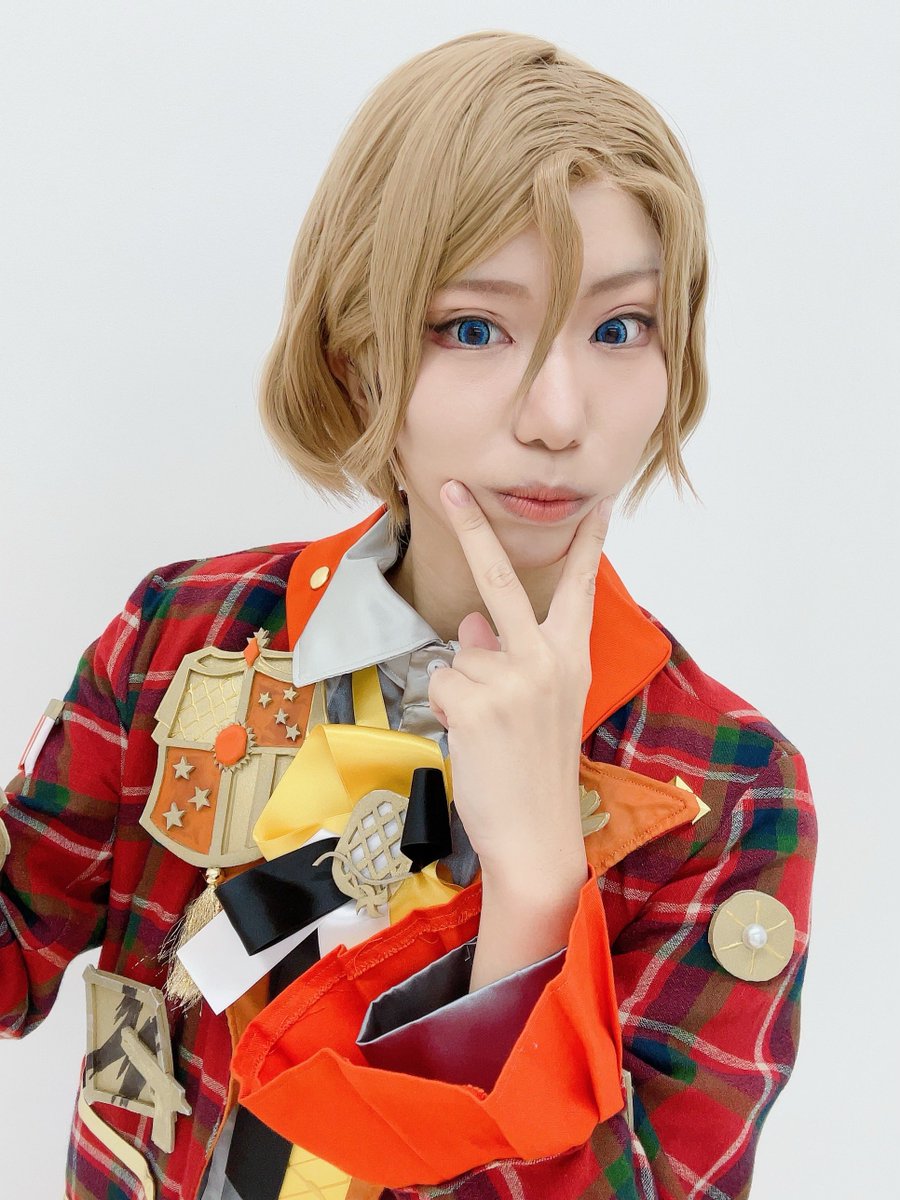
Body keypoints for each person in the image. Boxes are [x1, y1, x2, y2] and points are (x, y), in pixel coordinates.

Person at [0, 28, 816, 1200]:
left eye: (619, 327)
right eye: (473, 328)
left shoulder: (725, 790)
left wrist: (534, 892)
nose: (556, 416)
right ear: (354, 354)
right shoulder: (186, 633)